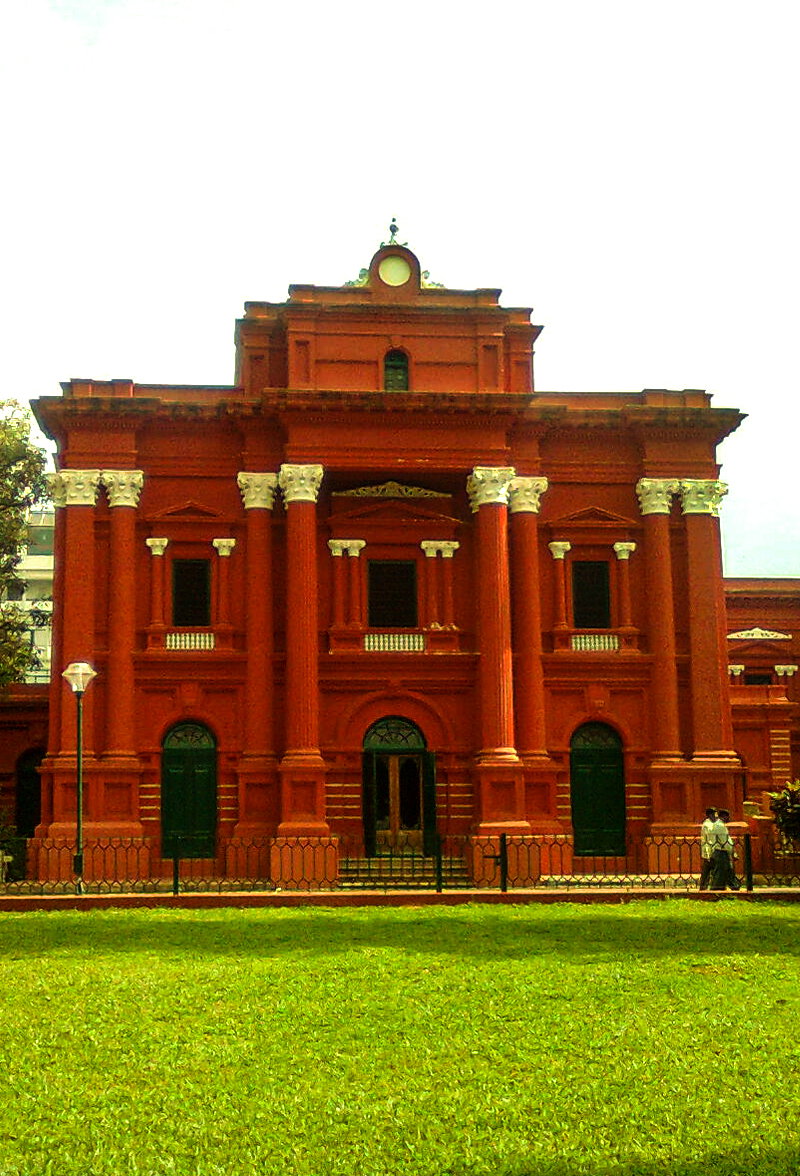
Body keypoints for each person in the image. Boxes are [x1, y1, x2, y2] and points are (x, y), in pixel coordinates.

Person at [709, 808, 741, 891]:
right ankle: (717, 889)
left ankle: (733, 886)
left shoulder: (719, 825)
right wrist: (732, 852)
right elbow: (725, 841)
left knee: (726, 871)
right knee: (722, 872)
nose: (729, 819)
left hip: (719, 851)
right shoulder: (720, 826)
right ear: (724, 816)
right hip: (721, 852)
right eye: (728, 816)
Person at [699, 807, 717, 890]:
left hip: (714, 850)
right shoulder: (707, 825)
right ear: (709, 815)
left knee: (709, 870)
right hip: (709, 851)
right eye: (713, 814)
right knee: (707, 870)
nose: (715, 816)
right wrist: (707, 853)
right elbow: (706, 840)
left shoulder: (713, 824)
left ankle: (705, 886)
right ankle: (703, 886)